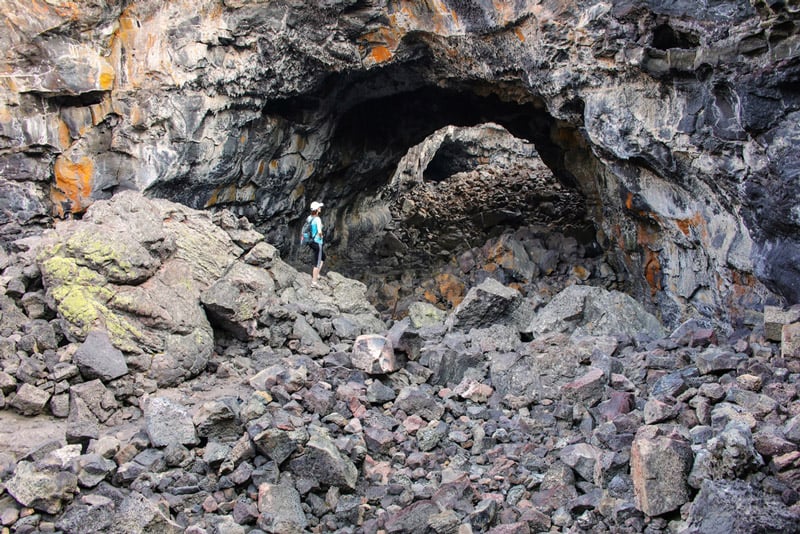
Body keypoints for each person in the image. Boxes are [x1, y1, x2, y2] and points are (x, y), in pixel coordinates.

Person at [304, 201, 325, 286]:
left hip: (310, 241)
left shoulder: (309, 217)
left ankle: (317, 274)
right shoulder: (318, 219)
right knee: (318, 262)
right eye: (319, 208)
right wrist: (321, 236)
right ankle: (314, 282)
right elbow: (319, 232)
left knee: (323, 257)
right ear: (317, 210)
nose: (320, 208)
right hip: (317, 242)